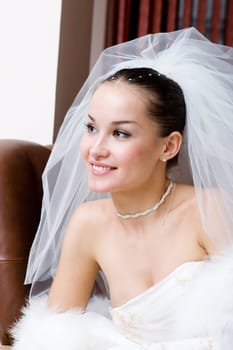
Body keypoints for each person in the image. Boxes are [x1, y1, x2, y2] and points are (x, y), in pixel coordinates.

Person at [12, 27, 233, 349]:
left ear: (169, 146)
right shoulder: (89, 223)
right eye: (91, 128)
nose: (96, 149)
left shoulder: (208, 209)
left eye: (121, 134)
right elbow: (52, 334)